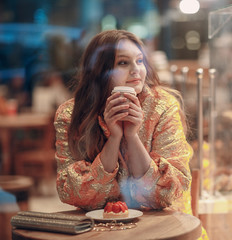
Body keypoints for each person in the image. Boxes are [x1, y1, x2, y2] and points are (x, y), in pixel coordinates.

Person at [54, 29, 195, 216]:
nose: (136, 69)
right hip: (102, 227)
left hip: (164, 226)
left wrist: (132, 136)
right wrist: (114, 138)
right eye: (123, 62)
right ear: (99, 70)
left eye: (139, 60)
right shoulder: (71, 114)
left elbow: (169, 192)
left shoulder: (162, 106)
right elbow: (71, 192)